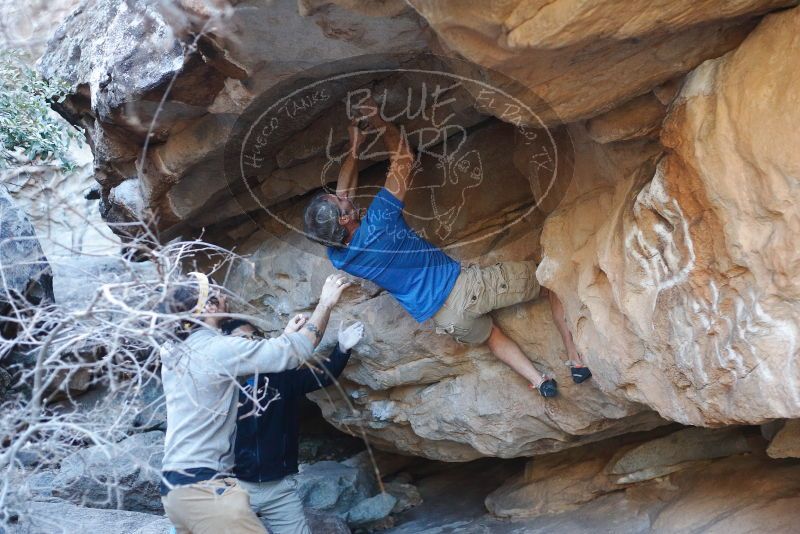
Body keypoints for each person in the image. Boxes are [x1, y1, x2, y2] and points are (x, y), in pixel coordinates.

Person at [303, 99, 591, 398]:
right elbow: (403, 158)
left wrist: (355, 146)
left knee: (492, 336)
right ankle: (575, 358)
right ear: (347, 218)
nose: (342, 196)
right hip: (465, 289)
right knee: (548, 281)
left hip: (446, 320)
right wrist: (378, 121)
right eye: (340, 204)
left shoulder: (339, 254)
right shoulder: (379, 222)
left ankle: (540, 381)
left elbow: (342, 195)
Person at [158, 271, 351, 534]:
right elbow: (295, 350)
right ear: (209, 306)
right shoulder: (217, 349)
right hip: (206, 490)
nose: (227, 300)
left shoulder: (174, 351)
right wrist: (325, 303)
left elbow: (257, 368)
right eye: (221, 295)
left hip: (175, 491)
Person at [222, 318, 364, 534]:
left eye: (254, 338)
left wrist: (342, 348)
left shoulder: (281, 379)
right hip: (237, 487)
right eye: (242, 340)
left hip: (280, 488)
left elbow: (321, 377)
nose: (249, 344)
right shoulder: (221, 385)